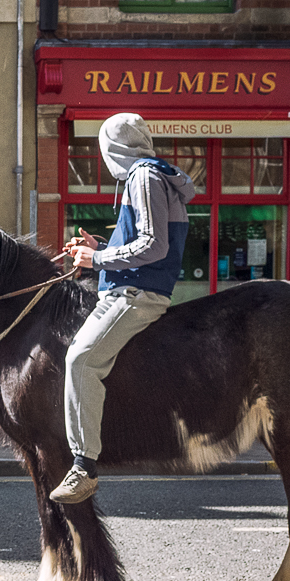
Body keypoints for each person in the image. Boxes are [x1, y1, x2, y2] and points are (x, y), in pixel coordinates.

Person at [52, 113, 196, 504]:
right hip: (131, 288)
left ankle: (83, 467)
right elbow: (143, 242)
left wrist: (95, 261)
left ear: (112, 147)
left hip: (136, 294)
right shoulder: (151, 175)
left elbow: (154, 245)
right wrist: (98, 250)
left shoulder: (143, 177)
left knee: (80, 360)